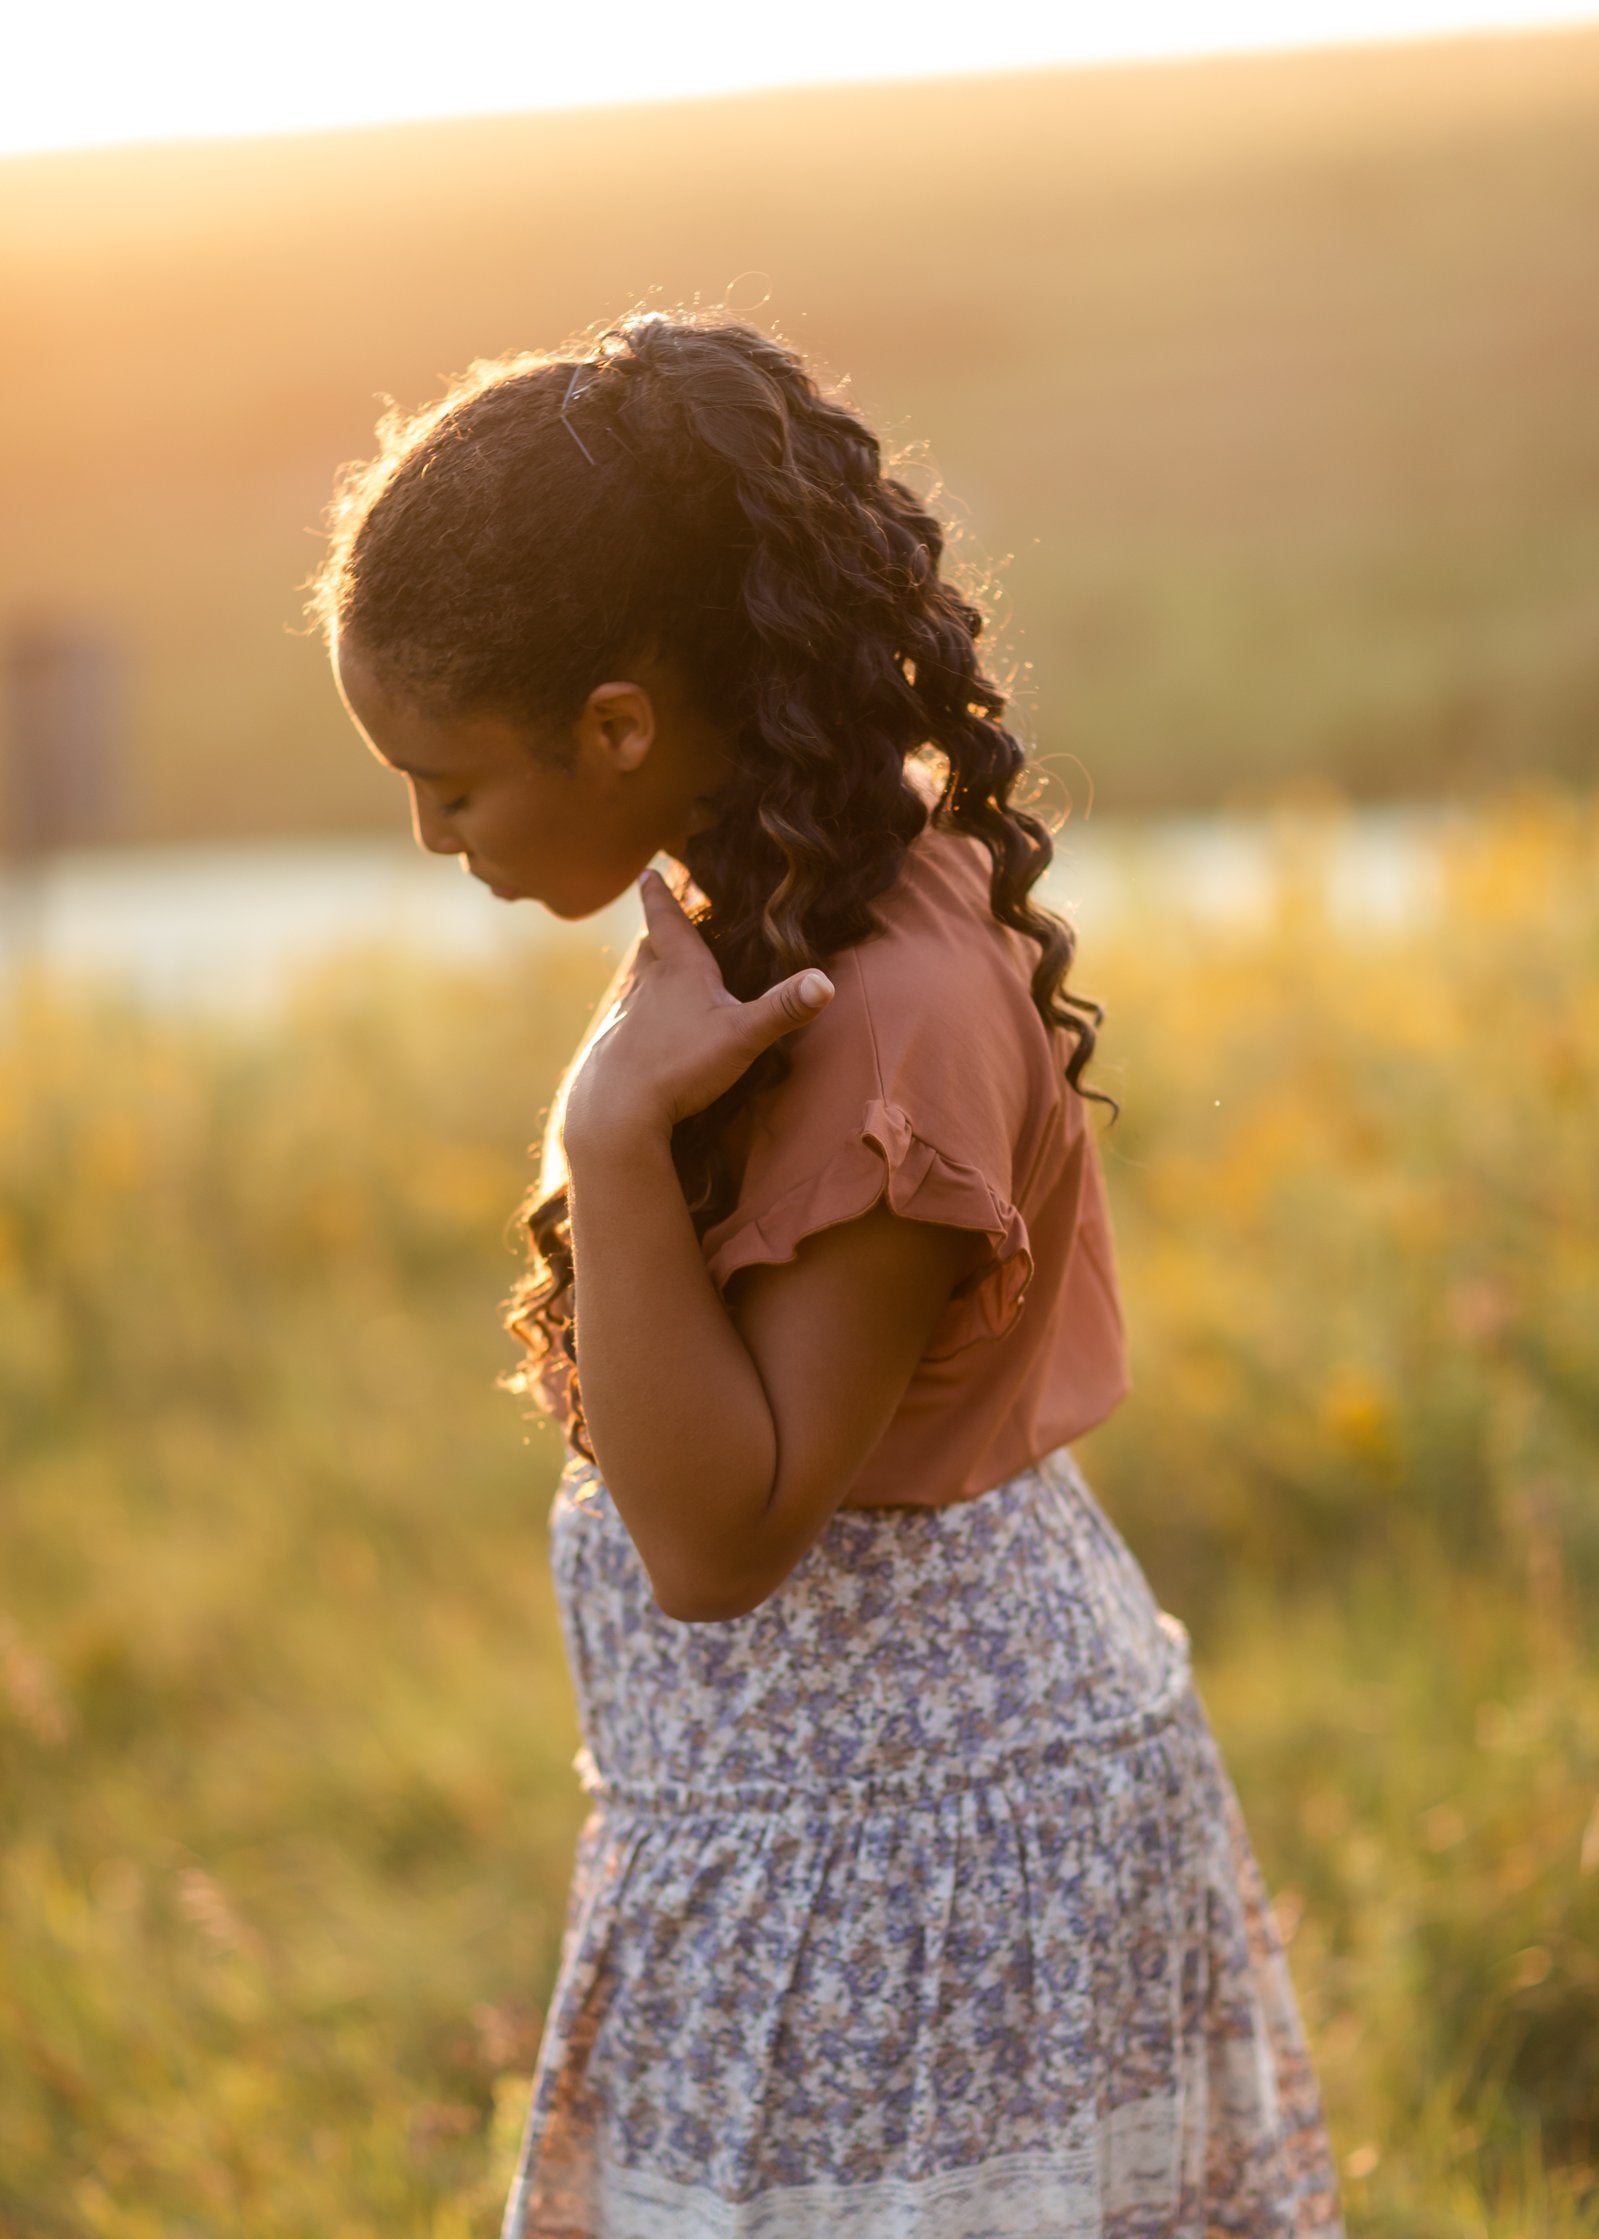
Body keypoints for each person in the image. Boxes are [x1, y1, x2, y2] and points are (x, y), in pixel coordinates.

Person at [313, 311, 1343, 2239]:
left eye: (448, 783)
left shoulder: (889, 1019)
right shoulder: (786, 889)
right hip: (806, 1834)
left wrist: (613, 1140)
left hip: (923, 1868)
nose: (430, 833)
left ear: (618, 725)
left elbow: (722, 1546)